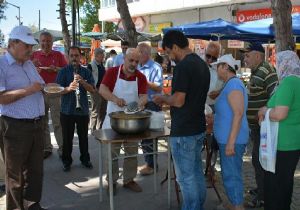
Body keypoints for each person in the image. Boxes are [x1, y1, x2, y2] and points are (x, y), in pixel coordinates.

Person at [153, 30, 210, 210]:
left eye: (169, 52)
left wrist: (163, 98)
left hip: (184, 130)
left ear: (175, 47)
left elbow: (178, 100)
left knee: (186, 178)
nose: (169, 57)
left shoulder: (184, 66)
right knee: (196, 174)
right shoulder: (202, 64)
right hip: (197, 127)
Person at [0, 25, 46, 210]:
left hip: (36, 123)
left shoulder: (28, 64)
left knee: (36, 170)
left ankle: (31, 203)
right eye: (27, 45)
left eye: (31, 46)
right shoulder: (1, 64)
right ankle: (15, 207)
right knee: (15, 174)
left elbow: (40, 86)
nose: (31, 49)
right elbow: (1, 98)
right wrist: (28, 90)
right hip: (15, 126)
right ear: (12, 43)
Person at [99, 48, 148, 193]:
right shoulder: (113, 72)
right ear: (124, 59)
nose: (133, 64)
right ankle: (112, 181)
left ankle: (129, 179)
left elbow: (144, 95)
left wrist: (141, 102)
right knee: (111, 154)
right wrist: (115, 99)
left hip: (132, 122)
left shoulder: (140, 77)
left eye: (136, 61)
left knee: (132, 152)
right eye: (131, 60)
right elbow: (102, 89)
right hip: (113, 120)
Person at [257, 50, 300, 210]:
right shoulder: (298, 81)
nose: (277, 67)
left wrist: (264, 111)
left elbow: (280, 114)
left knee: (274, 187)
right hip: (292, 142)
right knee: (285, 184)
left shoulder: (288, 82)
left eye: (278, 63)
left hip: (281, 143)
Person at [241, 42, 278, 208]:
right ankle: (261, 189)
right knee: (258, 161)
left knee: (259, 161)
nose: (244, 58)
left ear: (257, 55)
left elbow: (276, 97)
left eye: (248, 55)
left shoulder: (267, 71)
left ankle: (264, 197)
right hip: (257, 127)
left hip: (264, 127)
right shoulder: (256, 71)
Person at [212, 54, 249, 210]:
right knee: (230, 174)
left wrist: (231, 142)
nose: (216, 71)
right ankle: (234, 204)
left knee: (232, 175)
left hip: (231, 139)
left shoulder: (233, 85)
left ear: (225, 67)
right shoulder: (230, 84)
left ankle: (237, 206)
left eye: (217, 67)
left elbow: (238, 113)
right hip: (228, 138)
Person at [56, 46, 95, 172]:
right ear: (68, 57)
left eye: (76, 55)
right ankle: (66, 161)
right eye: (72, 55)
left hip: (82, 110)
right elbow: (57, 90)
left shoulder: (86, 72)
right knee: (67, 138)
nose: (74, 58)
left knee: (83, 137)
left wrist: (83, 82)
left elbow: (93, 89)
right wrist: (68, 88)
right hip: (67, 110)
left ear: (80, 57)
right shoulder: (63, 71)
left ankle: (85, 159)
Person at [31, 31, 67, 159]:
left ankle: (62, 148)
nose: (45, 43)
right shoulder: (34, 55)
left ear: (52, 42)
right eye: (43, 41)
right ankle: (47, 148)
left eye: (48, 41)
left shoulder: (58, 55)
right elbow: (24, 70)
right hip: (40, 93)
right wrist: (32, 66)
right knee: (43, 122)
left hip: (55, 92)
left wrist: (56, 68)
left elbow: (66, 70)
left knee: (57, 122)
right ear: (40, 42)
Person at [137, 43, 163, 175]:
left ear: (146, 53)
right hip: (141, 103)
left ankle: (152, 165)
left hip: (152, 104)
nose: (137, 55)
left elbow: (158, 87)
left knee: (150, 136)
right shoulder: (138, 66)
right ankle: (149, 162)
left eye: (139, 52)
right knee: (143, 136)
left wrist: (143, 80)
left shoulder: (155, 67)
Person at [87, 48, 107, 132]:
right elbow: (88, 78)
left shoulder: (101, 64)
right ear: (96, 55)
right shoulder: (91, 65)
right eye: (101, 55)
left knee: (103, 109)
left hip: (103, 89)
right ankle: (93, 128)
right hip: (95, 89)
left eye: (103, 55)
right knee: (95, 109)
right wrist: (92, 88)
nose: (103, 56)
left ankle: (100, 127)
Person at [205, 42, 224, 108]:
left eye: (214, 58)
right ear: (205, 52)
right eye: (208, 56)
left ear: (218, 56)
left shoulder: (221, 68)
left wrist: (219, 92)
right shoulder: (198, 65)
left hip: (216, 105)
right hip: (200, 104)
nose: (210, 60)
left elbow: (228, 85)